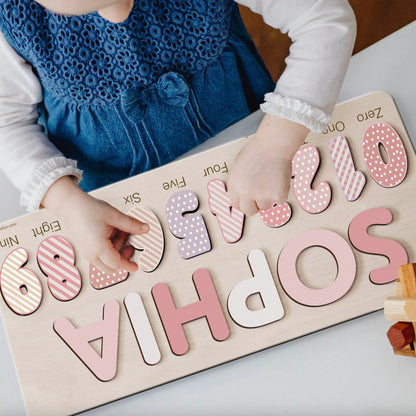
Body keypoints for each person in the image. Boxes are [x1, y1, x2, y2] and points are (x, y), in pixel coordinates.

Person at [0, 0, 356, 273]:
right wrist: (66, 202)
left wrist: (276, 144)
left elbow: (323, 19)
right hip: (122, 213)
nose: (118, 13)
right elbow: (8, 121)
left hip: (254, 167)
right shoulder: (12, 16)